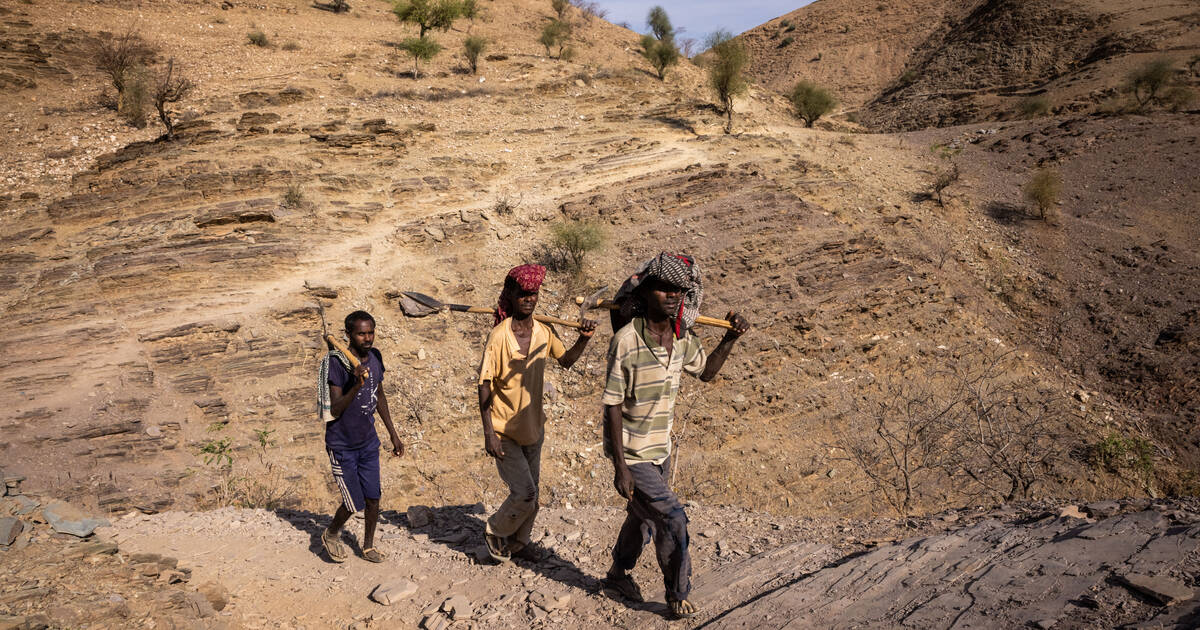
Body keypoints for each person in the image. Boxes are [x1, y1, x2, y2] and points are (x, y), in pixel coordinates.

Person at [600, 253, 749, 619]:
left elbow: (707, 372)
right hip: (634, 454)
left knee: (643, 517)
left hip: (661, 449)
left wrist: (731, 339)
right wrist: (621, 467)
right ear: (646, 292)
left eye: (679, 290)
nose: (672, 296)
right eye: (664, 288)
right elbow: (612, 407)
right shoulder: (626, 342)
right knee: (673, 518)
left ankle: (618, 573)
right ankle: (677, 593)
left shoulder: (682, 339)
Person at [478, 264, 597, 562]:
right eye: (523, 294)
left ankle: (520, 543)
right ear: (512, 296)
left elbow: (566, 360)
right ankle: (494, 530)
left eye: (533, 293)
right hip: (504, 430)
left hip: (533, 428)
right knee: (525, 493)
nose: (529, 299)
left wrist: (583, 338)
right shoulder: (499, 336)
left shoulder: (544, 332)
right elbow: (484, 384)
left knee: (535, 495)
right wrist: (489, 432)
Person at [319, 310, 404, 563]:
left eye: (370, 332)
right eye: (361, 333)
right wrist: (356, 384)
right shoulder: (338, 363)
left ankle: (367, 546)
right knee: (353, 501)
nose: (367, 338)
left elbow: (380, 395)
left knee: (373, 498)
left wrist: (393, 434)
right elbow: (334, 409)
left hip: (368, 441)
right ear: (349, 335)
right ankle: (332, 533)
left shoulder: (375, 357)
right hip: (342, 444)